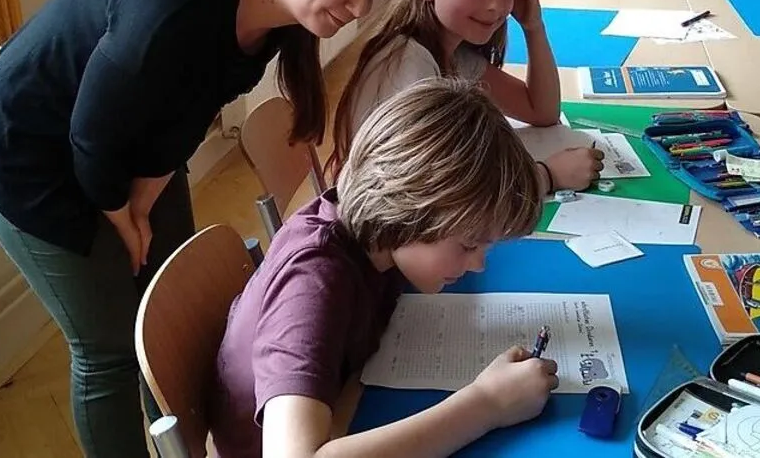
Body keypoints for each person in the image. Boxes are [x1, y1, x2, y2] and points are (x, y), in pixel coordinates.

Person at [0, 0, 402, 458]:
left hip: (119, 140)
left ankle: (179, 441)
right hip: (33, 154)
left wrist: (144, 203)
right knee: (109, 348)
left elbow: (188, 112)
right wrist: (123, 218)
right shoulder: (174, 6)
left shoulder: (273, 15)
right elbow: (90, 137)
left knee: (175, 319)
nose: (359, 8)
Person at [209, 77, 557, 457]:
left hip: (349, 402)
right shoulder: (313, 282)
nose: (477, 265)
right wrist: (488, 404)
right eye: (467, 245)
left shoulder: (380, 238)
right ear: (409, 206)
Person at [326, 0, 603, 193]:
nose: (495, 5)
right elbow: (432, 194)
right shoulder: (410, 66)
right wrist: (546, 176)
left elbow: (541, 112)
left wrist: (533, 26)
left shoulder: (452, 52)